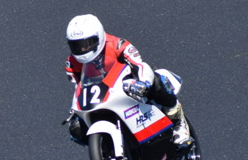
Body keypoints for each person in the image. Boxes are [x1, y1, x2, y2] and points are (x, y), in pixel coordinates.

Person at [64, 13, 191, 145]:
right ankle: (107, 152)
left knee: (156, 79)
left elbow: (140, 65)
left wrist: (143, 83)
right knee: (76, 129)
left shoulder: (118, 44)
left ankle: (178, 120)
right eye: (76, 46)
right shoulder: (72, 63)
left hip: (128, 86)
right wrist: (74, 110)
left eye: (87, 44)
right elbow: (78, 87)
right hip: (101, 97)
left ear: (99, 37)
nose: (82, 49)